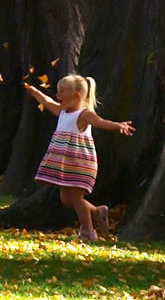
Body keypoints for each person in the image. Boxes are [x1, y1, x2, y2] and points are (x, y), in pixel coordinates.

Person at [24, 74, 135, 242]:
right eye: (58, 92)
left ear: (76, 96)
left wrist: (118, 125)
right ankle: (98, 212)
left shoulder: (83, 115)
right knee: (66, 199)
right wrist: (34, 92)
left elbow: (100, 122)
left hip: (79, 161)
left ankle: (89, 233)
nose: (58, 96)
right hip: (65, 163)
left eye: (62, 92)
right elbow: (47, 102)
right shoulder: (62, 111)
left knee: (76, 198)